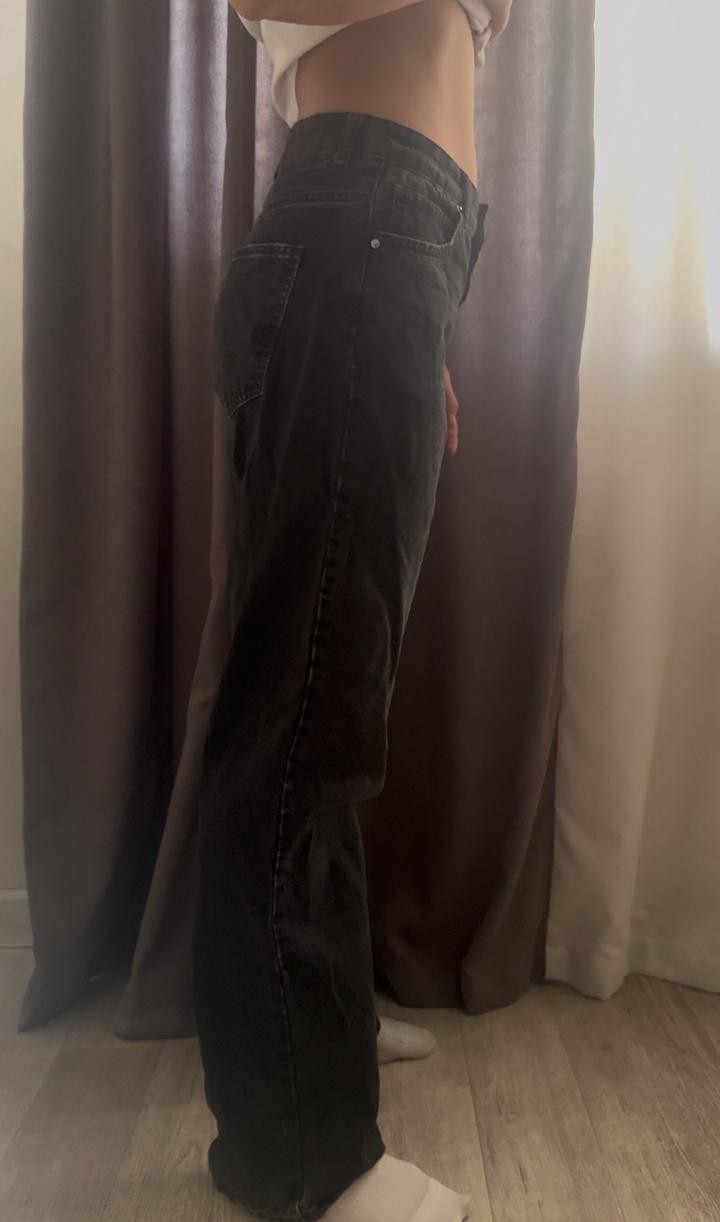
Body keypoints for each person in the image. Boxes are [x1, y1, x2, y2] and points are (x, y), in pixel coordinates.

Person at [192, 2, 513, 1219]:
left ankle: (311, 1026)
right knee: (301, 720)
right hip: (363, 231)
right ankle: (302, 1159)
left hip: (391, 252)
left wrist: (416, 324)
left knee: (333, 694)